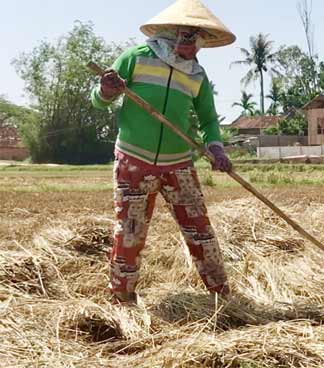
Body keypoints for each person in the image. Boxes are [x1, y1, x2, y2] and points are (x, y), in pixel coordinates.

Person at [91, 0, 236, 304]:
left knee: (201, 232)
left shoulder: (196, 75)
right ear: (172, 34)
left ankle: (223, 298)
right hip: (133, 161)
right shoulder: (136, 58)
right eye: (190, 38)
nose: (195, 47)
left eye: (199, 40)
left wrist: (216, 149)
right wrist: (106, 90)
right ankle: (122, 301)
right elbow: (100, 100)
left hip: (178, 164)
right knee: (129, 234)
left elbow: (208, 120)